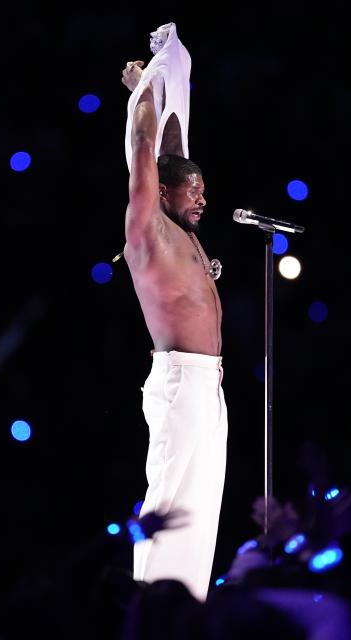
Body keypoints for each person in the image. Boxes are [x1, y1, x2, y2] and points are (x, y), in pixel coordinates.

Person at [120, 28, 228, 602]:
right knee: (167, 500)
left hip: (209, 383)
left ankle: (188, 608)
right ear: (161, 192)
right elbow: (146, 152)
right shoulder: (148, 230)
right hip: (180, 378)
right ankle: (147, 607)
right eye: (192, 190)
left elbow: (173, 149)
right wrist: (145, 95)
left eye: (205, 189)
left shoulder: (186, 233)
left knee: (201, 503)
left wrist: (172, 91)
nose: (202, 197)